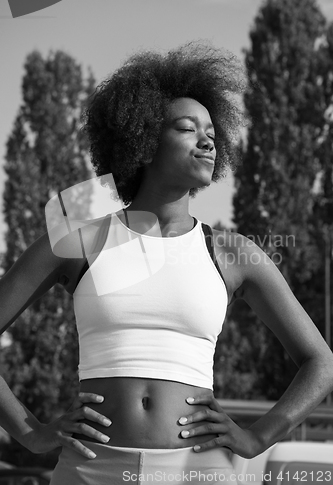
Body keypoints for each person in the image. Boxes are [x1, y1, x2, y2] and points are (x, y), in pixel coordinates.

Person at [0, 42, 332, 485]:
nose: (208, 139)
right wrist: (29, 432)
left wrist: (259, 437)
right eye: (187, 128)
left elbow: (320, 362)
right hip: (90, 469)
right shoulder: (76, 242)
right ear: (143, 139)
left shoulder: (232, 253)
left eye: (212, 130)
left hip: (200, 470)